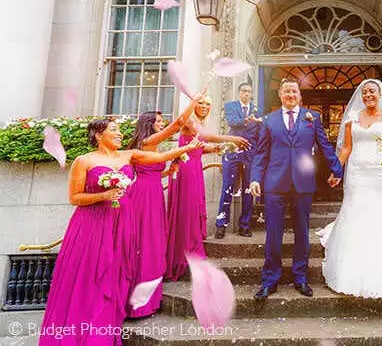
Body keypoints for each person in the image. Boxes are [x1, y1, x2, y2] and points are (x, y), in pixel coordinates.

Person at [39, 119, 201, 345]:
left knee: (118, 268)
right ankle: (86, 327)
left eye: (119, 130)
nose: (119, 134)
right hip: (93, 223)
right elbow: (74, 197)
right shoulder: (84, 160)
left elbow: (158, 158)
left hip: (123, 220)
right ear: (98, 134)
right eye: (113, 130)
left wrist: (187, 147)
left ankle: (107, 321)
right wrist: (102, 196)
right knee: (92, 271)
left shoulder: (128, 155)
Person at [317, 79, 382, 299]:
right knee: (355, 211)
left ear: (380, 94)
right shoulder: (352, 118)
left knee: (379, 213)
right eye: (365, 92)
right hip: (357, 172)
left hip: (379, 173)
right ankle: (352, 261)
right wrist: (336, 171)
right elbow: (346, 148)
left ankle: (378, 257)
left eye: (372, 91)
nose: (368, 94)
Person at [249, 78, 342, 300]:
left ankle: (300, 278)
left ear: (300, 95)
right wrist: (255, 178)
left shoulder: (313, 118)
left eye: (294, 91)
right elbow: (261, 152)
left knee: (302, 231)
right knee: (273, 232)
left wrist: (337, 170)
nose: (290, 95)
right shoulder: (269, 120)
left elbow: (324, 146)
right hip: (275, 183)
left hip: (303, 182)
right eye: (286, 91)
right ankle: (270, 280)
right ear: (280, 95)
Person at [123, 93, 203, 318]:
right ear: (149, 124)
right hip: (143, 198)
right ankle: (138, 303)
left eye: (162, 121)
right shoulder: (148, 142)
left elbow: (156, 172)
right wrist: (193, 102)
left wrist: (171, 170)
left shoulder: (153, 146)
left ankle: (149, 297)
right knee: (146, 241)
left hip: (155, 194)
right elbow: (178, 124)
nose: (162, 124)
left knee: (155, 240)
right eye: (159, 121)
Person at [165, 95, 250, 281]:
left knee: (193, 208)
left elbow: (200, 147)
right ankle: (183, 252)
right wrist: (231, 138)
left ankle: (191, 247)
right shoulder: (188, 119)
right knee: (186, 210)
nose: (204, 106)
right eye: (200, 103)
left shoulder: (199, 122)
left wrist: (220, 148)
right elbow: (207, 137)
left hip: (194, 167)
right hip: (185, 169)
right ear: (193, 104)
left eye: (208, 104)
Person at [216, 82, 262, 238]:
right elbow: (232, 122)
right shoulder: (230, 106)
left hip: (250, 152)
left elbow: (260, 132)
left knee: (248, 190)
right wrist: (249, 120)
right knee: (227, 187)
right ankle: (221, 225)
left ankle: (245, 225)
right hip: (232, 150)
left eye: (249, 91)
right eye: (243, 91)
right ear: (239, 92)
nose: (246, 94)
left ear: (251, 94)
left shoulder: (258, 110)